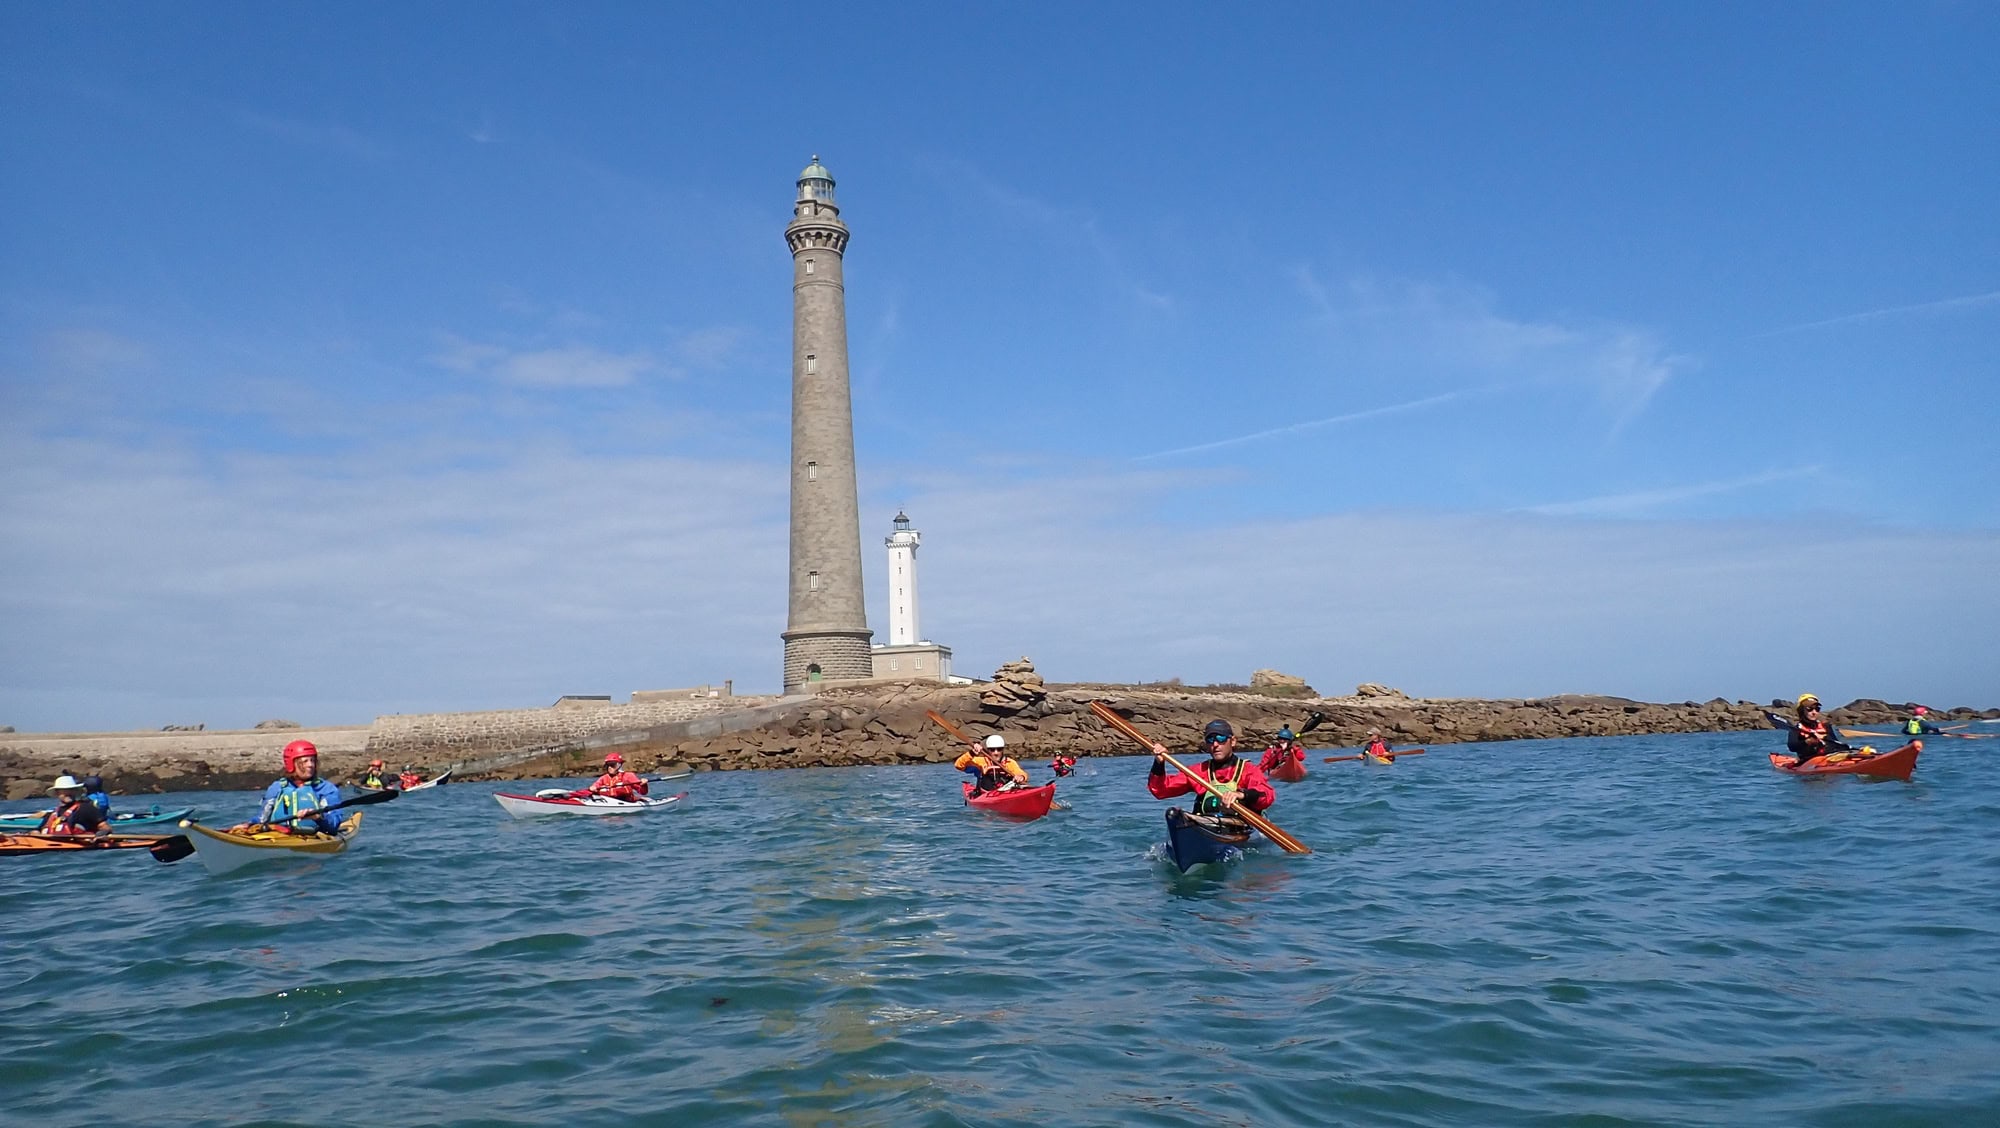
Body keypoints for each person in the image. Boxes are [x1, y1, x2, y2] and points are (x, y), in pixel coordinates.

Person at [1147, 719, 1275, 826]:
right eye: (1210, 739)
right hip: (1207, 824)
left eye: (1221, 738)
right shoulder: (1197, 771)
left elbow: (1267, 796)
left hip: (1237, 826)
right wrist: (1159, 763)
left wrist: (1241, 794)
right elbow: (1160, 790)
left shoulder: (1249, 770)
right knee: (1173, 814)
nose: (1215, 744)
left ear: (1233, 741)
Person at [240, 740, 348, 835]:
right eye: (305, 761)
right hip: (280, 835)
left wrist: (317, 817)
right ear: (291, 764)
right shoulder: (277, 787)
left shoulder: (326, 789)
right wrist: (249, 825)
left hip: (315, 836)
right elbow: (262, 818)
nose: (310, 765)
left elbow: (333, 826)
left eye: (312, 760)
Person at [1786, 693, 1861, 766]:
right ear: (1801, 711)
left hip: (1829, 757)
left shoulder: (1825, 726)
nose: (1814, 712)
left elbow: (1835, 743)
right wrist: (1807, 741)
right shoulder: (1796, 729)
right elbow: (1792, 747)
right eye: (1810, 709)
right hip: (1809, 761)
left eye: (1817, 709)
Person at [955, 734, 1031, 793]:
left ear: (1003, 750)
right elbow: (959, 765)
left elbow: (1018, 771)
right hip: (986, 793)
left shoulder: (1009, 762)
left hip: (1006, 792)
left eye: (999, 749)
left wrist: (1021, 776)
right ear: (988, 750)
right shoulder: (980, 761)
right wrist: (972, 753)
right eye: (992, 750)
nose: (996, 753)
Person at [37, 775, 109, 837]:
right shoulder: (51, 815)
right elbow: (37, 831)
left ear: (76, 791)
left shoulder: (87, 808)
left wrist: (100, 834)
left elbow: (106, 828)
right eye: (64, 790)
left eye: (71, 790)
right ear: (57, 793)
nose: (69, 793)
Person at [575, 752, 649, 801]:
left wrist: (644, 785)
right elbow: (595, 785)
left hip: (626, 802)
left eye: (612, 765)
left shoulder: (628, 776)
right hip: (609, 801)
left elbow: (643, 792)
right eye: (608, 765)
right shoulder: (604, 778)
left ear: (619, 765)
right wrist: (592, 788)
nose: (610, 767)